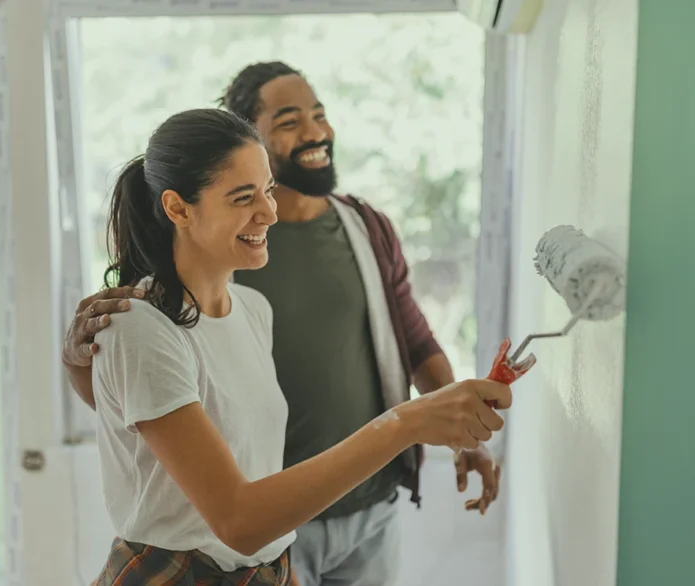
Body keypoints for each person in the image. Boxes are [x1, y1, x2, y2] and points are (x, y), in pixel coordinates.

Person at [62, 63, 500, 586]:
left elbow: (249, 466)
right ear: (178, 208)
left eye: (266, 189)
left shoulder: (252, 309)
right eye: (243, 197)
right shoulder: (139, 325)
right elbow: (238, 520)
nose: (266, 212)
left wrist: (279, 570)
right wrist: (405, 423)